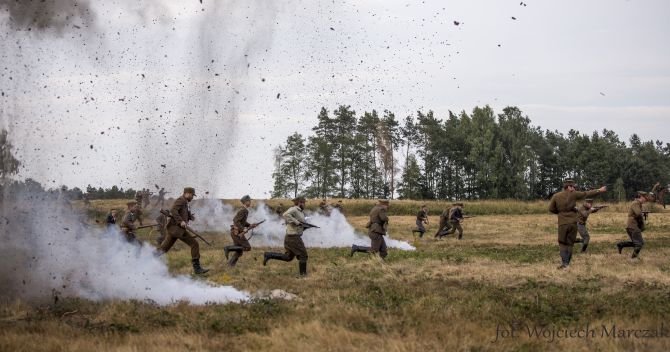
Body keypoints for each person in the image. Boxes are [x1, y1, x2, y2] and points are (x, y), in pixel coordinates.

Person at [549, 179, 606, 269]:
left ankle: (564, 263)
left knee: (562, 243)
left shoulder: (556, 196)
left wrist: (561, 212)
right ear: (568, 187)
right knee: (570, 243)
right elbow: (586, 193)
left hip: (562, 223)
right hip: (573, 223)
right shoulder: (574, 194)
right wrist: (599, 190)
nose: (574, 188)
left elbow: (551, 209)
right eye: (573, 187)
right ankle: (567, 263)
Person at [158, 187, 209, 274]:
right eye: (192, 195)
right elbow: (174, 210)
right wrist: (180, 221)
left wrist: (190, 217)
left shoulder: (185, 202)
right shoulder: (181, 200)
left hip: (175, 230)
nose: (193, 197)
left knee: (163, 249)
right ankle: (197, 269)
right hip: (177, 229)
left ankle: (147, 259)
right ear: (187, 193)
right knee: (194, 244)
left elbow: (182, 212)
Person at [263, 196, 309, 276]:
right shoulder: (294, 209)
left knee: (288, 257)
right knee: (303, 255)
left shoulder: (300, 212)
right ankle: (303, 275)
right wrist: (296, 222)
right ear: (299, 203)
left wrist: (305, 226)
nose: (304, 204)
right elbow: (285, 214)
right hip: (293, 237)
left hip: (291, 237)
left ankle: (269, 255)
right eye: (303, 202)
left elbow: (297, 224)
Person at [224, 195, 259, 267]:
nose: (250, 202)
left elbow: (242, 222)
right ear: (246, 202)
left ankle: (230, 265)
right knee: (247, 247)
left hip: (236, 232)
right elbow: (236, 221)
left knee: (239, 251)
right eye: (249, 201)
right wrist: (243, 229)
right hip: (237, 233)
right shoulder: (243, 210)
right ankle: (228, 248)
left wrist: (250, 225)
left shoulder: (244, 210)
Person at [617, 191, 649, 259]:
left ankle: (621, 244)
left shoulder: (637, 203)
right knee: (639, 244)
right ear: (641, 197)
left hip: (632, 226)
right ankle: (633, 258)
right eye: (645, 198)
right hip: (633, 226)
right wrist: (643, 213)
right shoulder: (635, 203)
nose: (646, 200)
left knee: (636, 243)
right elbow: (638, 213)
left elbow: (637, 213)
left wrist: (643, 213)